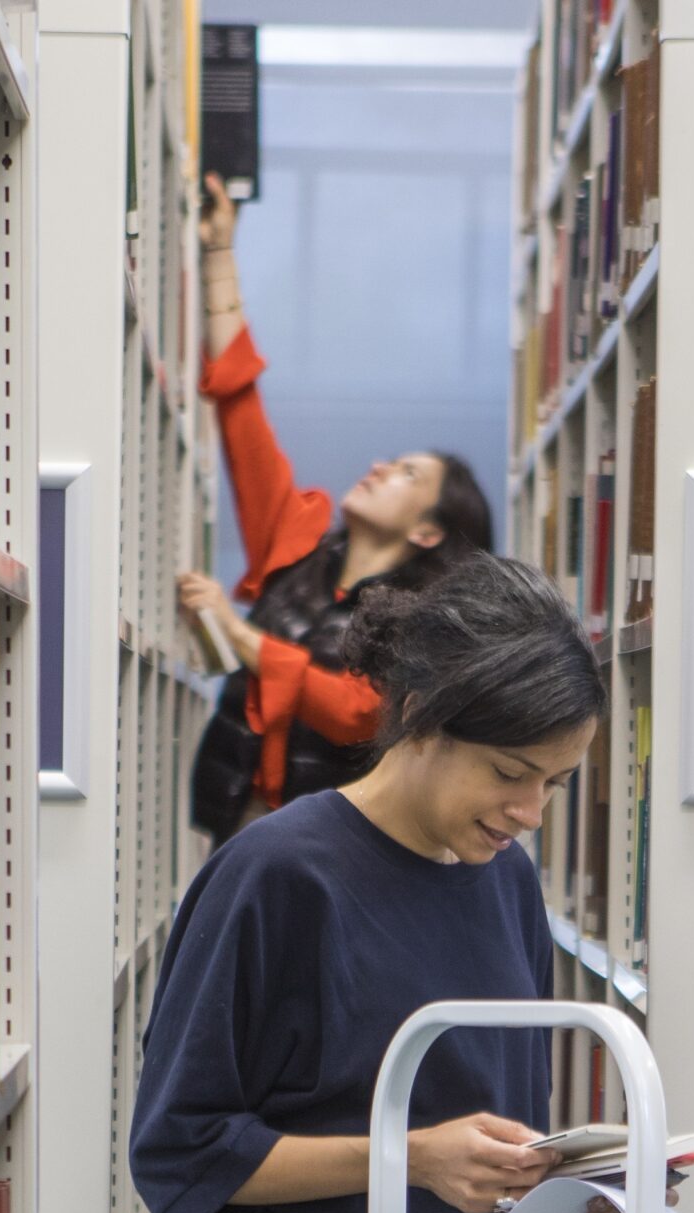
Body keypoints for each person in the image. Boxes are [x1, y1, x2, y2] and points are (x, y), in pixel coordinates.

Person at [131, 552, 606, 1213]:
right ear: (421, 716)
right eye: (510, 772)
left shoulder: (508, 884)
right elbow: (180, 1149)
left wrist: (576, 1181)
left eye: (556, 782)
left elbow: (499, 1121)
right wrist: (412, 1157)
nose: (532, 811)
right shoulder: (276, 875)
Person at [184, 173, 496, 844]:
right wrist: (218, 253)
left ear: (427, 528)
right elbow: (240, 408)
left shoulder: (421, 623)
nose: (380, 466)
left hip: (338, 851)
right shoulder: (293, 541)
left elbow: (360, 712)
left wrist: (238, 636)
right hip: (240, 826)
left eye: (407, 473)